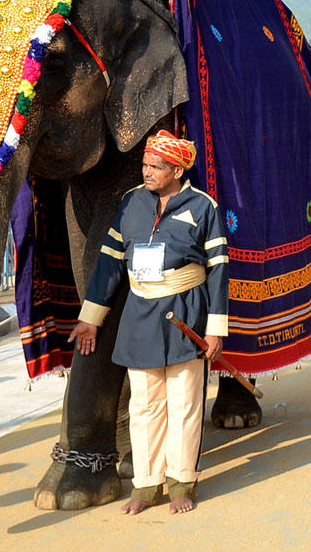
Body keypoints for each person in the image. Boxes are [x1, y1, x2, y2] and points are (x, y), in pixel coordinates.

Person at [68, 131, 227, 515]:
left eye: (155, 167)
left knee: (185, 403)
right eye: (145, 165)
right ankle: (146, 485)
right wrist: (91, 318)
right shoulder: (131, 203)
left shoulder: (202, 206)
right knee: (144, 405)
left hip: (184, 313)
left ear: (177, 169)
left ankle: (180, 483)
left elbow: (219, 269)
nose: (147, 173)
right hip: (139, 316)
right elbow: (109, 262)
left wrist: (215, 329)